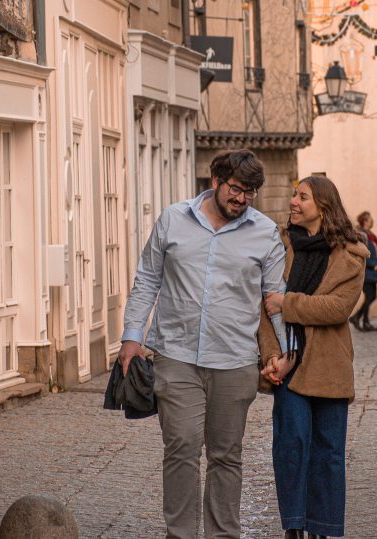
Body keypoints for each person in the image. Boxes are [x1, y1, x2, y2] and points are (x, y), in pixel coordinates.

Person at [118, 149, 287, 539]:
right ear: (214, 181)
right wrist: (132, 337)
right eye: (236, 189)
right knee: (181, 447)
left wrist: (285, 353)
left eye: (250, 192)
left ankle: (223, 535)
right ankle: (180, 534)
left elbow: (275, 300)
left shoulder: (264, 232)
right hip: (176, 356)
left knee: (226, 455)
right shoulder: (173, 219)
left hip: (235, 360)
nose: (242, 199)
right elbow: (147, 280)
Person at [258, 176, 368, 539]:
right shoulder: (279, 246)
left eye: (302, 197)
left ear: (322, 206)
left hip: (330, 366)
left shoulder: (351, 254)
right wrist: (273, 356)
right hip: (289, 367)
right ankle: (294, 524)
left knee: (329, 453)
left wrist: (288, 304)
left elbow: (338, 308)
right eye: (293, 195)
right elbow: (263, 308)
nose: (293, 202)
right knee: (290, 447)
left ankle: (324, 527)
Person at [350, 211, 377, 332]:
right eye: (370, 219)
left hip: (374, 272)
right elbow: (361, 253)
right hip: (367, 271)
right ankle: (359, 319)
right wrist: (371, 264)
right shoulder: (362, 235)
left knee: (372, 296)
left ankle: (362, 320)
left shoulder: (371, 235)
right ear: (365, 221)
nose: (372, 221)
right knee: (370, 295)